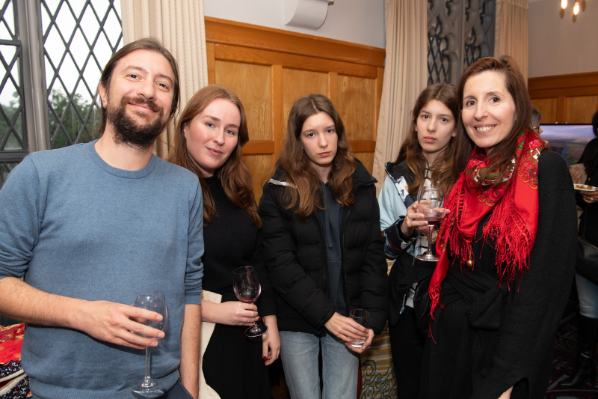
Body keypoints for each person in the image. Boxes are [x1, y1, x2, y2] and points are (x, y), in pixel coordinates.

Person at [0, 38, 202, 399]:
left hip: (165, 390)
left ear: (171, 108)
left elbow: (190, 291)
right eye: (134, 75)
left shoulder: (185, 187)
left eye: (163, 84)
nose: (147, 91)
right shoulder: (40, 175)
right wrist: (82, 315)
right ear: (104, 93)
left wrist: (189, 388)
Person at [420, 56, 577, 399]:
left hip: (503, 352)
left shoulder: (545, 172)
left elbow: (543, 290)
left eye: (494, 99)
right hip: (452, 339)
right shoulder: (471, 170)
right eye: (470, 102)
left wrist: (505, 378)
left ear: (517, 107)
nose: (480, 113)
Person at [258, 94, 388, 399]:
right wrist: (327, 315)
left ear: (339, 133)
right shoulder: (278, 191)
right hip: (297, 318)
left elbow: (371, 256)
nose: (323, 142)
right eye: (311, 134)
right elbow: (281, 267)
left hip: (347, 315)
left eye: (329, 131)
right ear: (298, 140)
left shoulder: (361, 184)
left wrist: (370, 319)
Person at [169, 84, 280, 398]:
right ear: (186, 125)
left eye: (230, 131)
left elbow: (257, 261)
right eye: (210, 124)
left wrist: (269, 322)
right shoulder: (165, 189)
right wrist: (211, 311)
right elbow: (151, 282)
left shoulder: (237, 187)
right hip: (197, 334)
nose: (220, 138)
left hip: (245, 330)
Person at [378, 83, 461, 399]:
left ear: (456, 129)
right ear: (415, 122)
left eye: (443, 119)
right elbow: (383, 246)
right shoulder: (396, 177)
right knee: (409, 388)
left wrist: (447, 231)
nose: (431, 127)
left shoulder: (468, 178)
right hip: (406, 303)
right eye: (425, 116)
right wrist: (407, 227)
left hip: (449, 303)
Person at [561, 110, 598, 388]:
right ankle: (584, 367)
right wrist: (583, 193)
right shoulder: (593, 147)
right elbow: (582, 192)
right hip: (590, 238)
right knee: (588, 308)